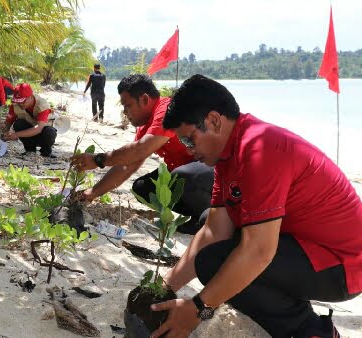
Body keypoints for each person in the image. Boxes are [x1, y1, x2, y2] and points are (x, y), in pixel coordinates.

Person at [151, 74, 362, 338]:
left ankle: (311, 331)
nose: (189, 150)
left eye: (189, 140)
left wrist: (198, 309)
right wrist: (165, 287)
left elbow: (259, 252)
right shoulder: (228, 156)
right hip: (305, 247)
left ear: (214, 121)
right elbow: (214, 230)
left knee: (216, 261)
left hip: (343, 265)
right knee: (213, 229)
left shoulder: (260, 148)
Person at [71, 74, 213, 234]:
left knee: (184, 175)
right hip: (185, 175)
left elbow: (140, 149)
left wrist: (98, 160)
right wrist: (93, 192)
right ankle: (194, 217)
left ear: (145, 99)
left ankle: (212, 217)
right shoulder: (145, 127)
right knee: (142, 188)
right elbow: (128, 164)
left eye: (127, 106)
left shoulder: (166, 110)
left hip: (210, 170)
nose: (125, 112)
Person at [0, 83, 57, 158]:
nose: (20, 104)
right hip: (27, 134)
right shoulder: (15, 105)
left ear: (30, 97)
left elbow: (38, 129)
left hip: (42, 134)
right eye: (18, 101)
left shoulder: (42, 105)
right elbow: (7, 124)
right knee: (18, 123)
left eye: (23, 101)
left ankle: (46, 152)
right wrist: (2, 128)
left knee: (50, 132)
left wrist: (16, 135)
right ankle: (30, 150)